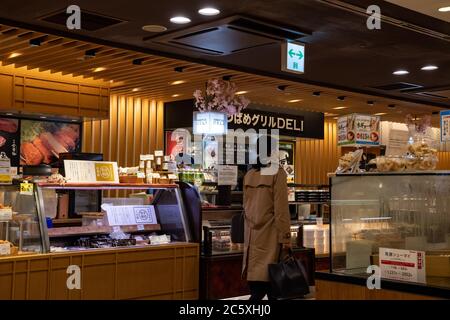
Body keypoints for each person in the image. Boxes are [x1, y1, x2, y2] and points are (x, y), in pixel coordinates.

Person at [242, 135, 292, 300]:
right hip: (270, 236)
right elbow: (281, 210)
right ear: (273, 151)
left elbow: (245, 206)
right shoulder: (277, 173)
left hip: (252, 237)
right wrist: (285, 238)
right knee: (267, 285)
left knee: (263, 286)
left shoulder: (249, 174)